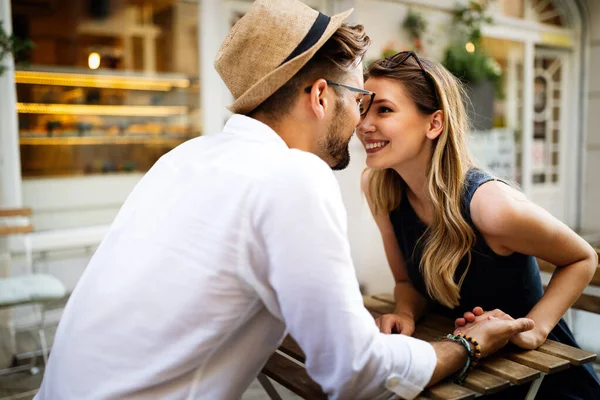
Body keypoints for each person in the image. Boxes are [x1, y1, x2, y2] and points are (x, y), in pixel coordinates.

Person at [35, 3, 534, 399]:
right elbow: (354, 374)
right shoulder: (291, 175)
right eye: (358, 100)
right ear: (320, 96)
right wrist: (466, 344)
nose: (360, 121)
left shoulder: (184, 158)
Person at [358, 51, 600, 399]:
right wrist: (406, 312)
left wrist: (535, 330)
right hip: (466, 369)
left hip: (537, 378)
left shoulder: (491, 206)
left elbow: (582, 258)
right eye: (361, 108)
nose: (364, 124)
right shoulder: (379, 187)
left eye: (383, 109)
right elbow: (404, 280)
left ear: (434, 123)